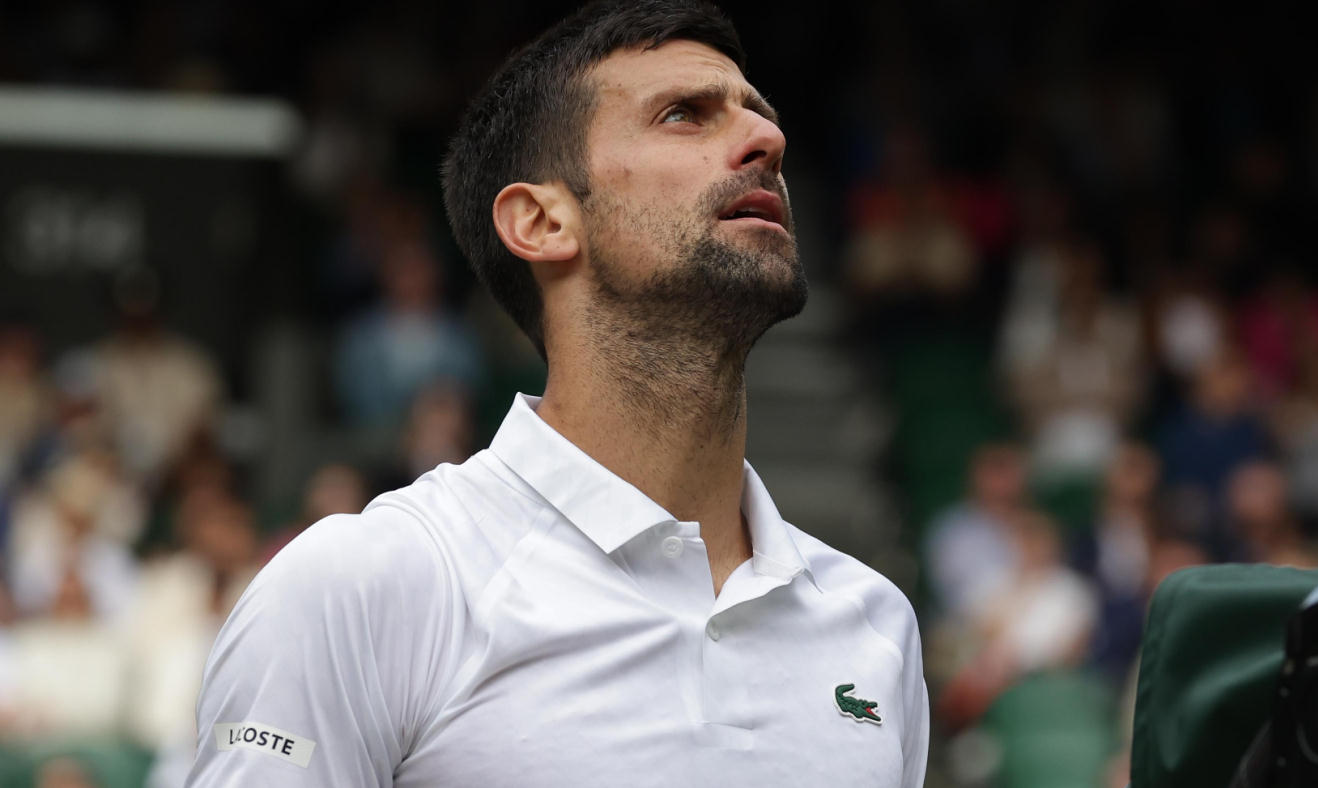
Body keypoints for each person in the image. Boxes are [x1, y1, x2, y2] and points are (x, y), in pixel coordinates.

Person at [186, 2, 929, 786]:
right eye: (683, 115)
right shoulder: (368, 585)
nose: (767, 139)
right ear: (540, 222)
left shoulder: (875, 625)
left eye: (760, 114)